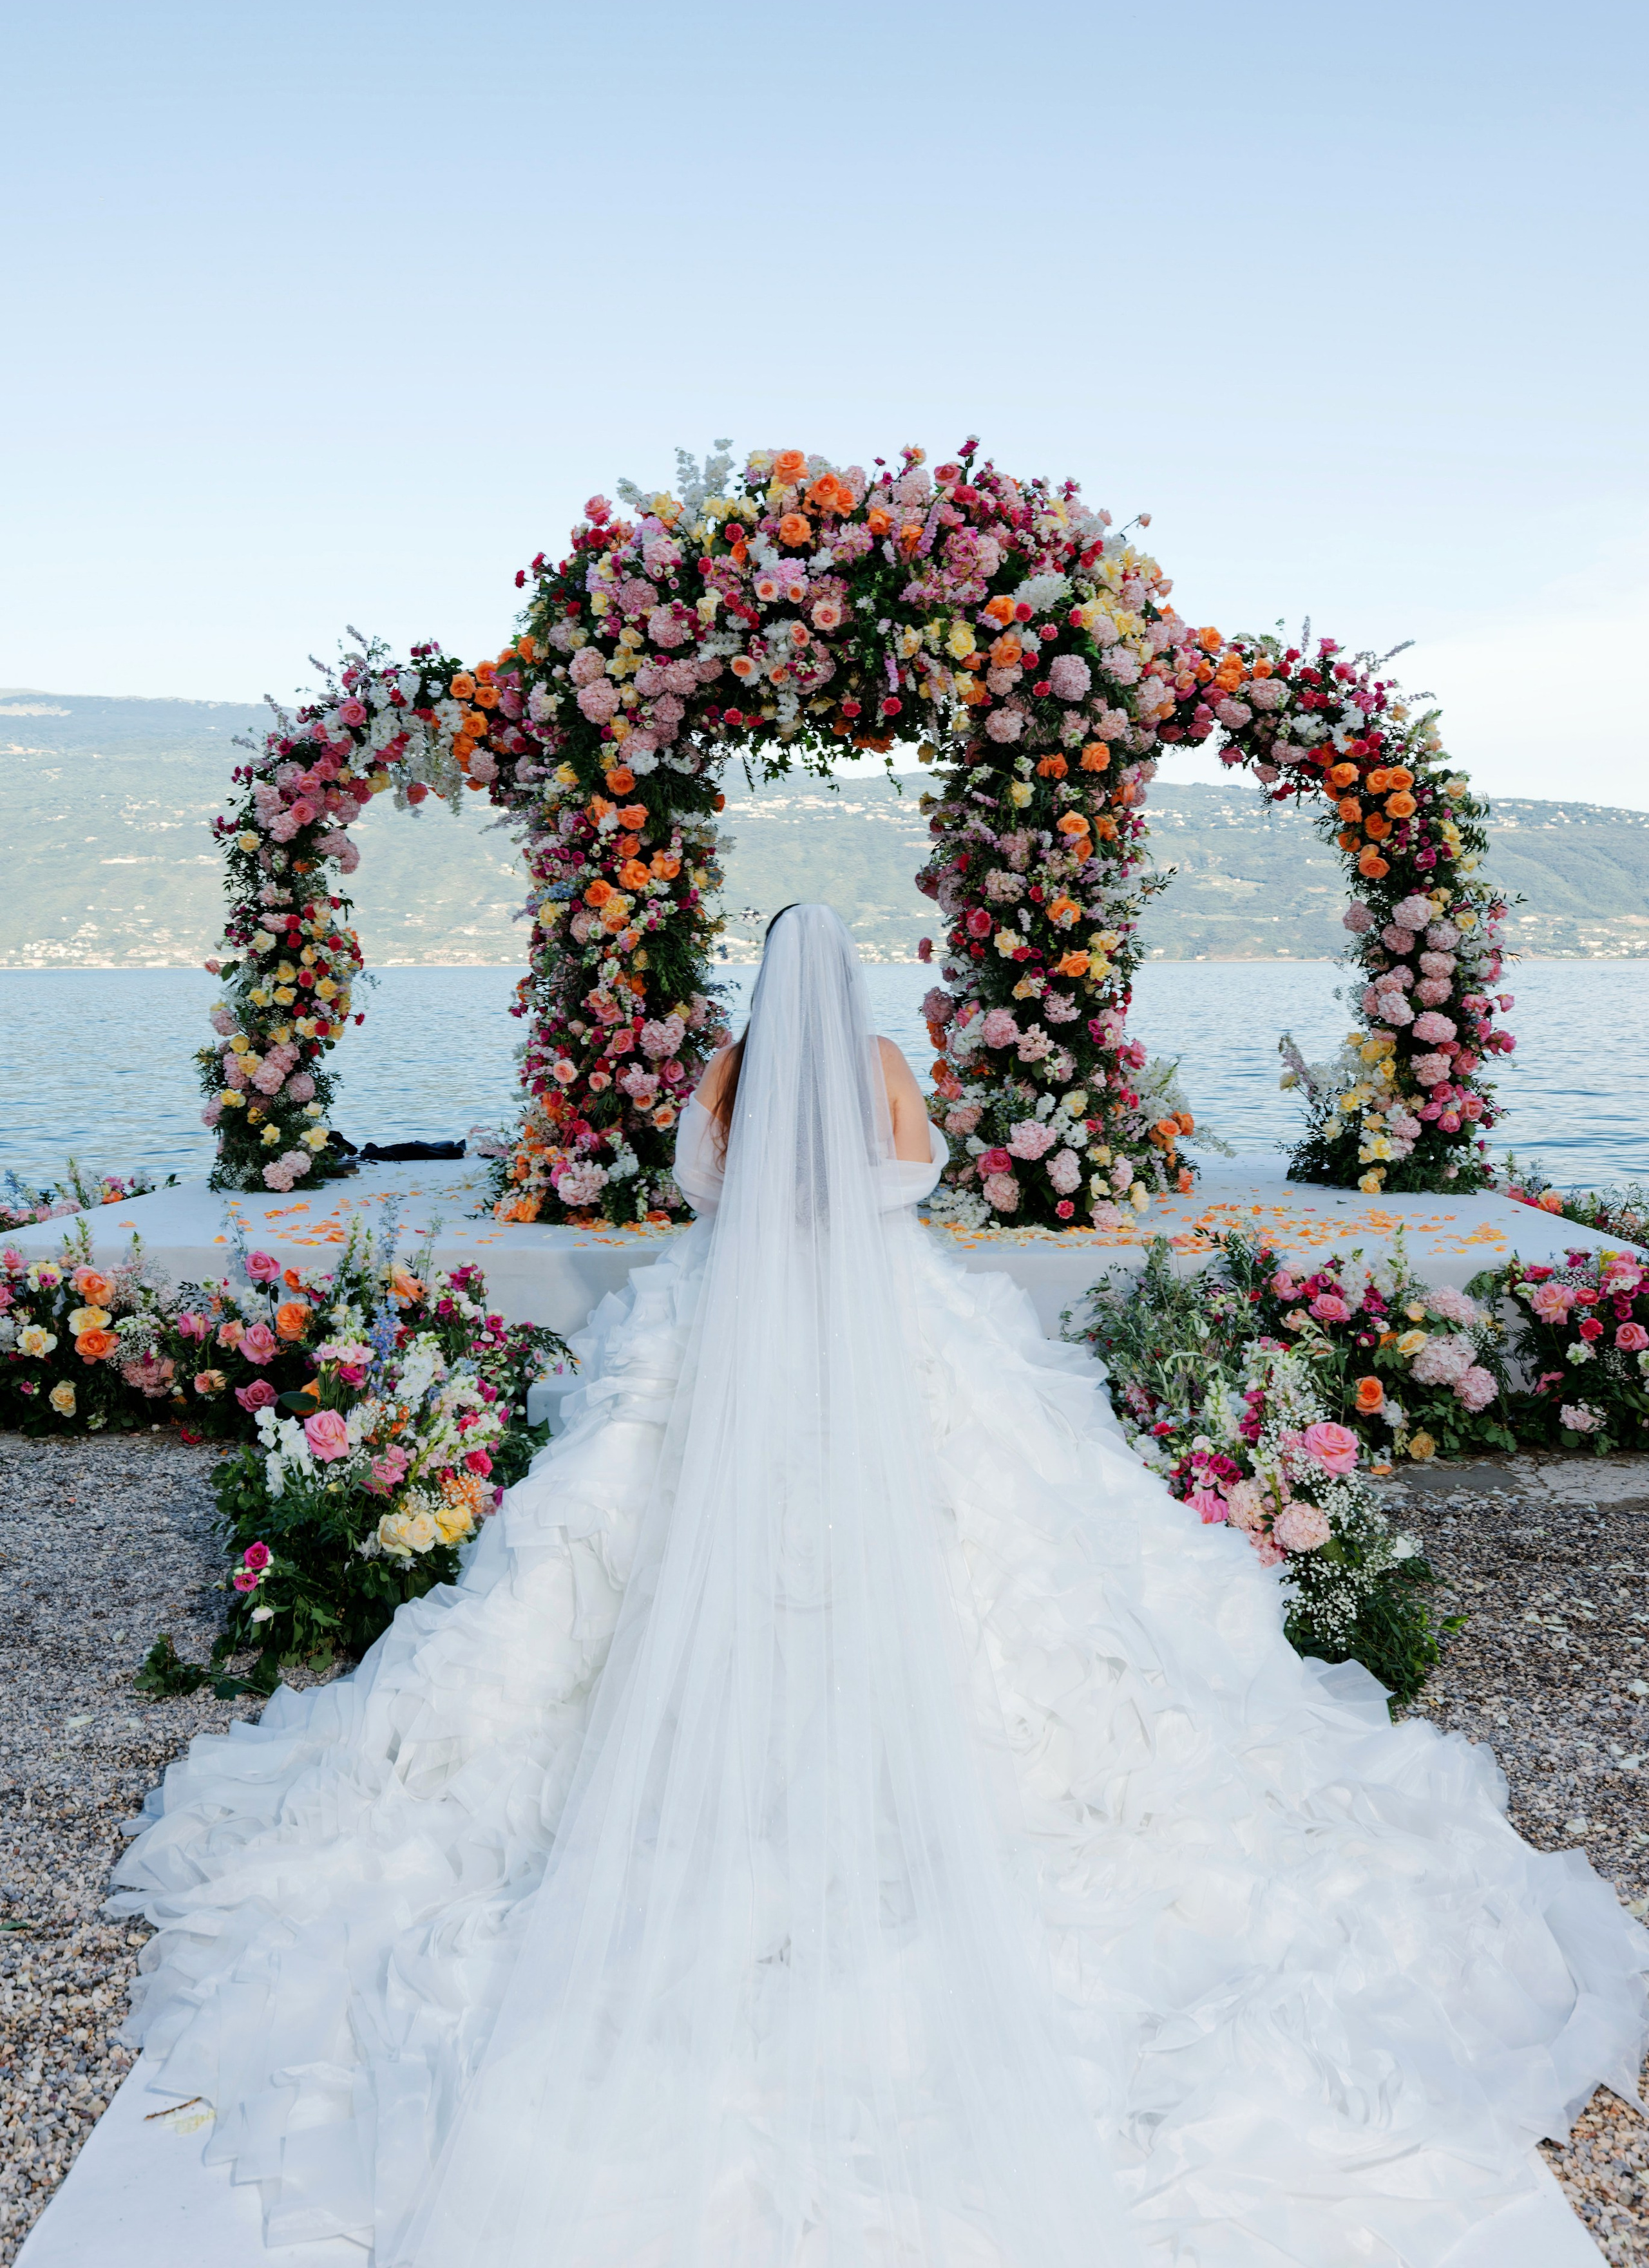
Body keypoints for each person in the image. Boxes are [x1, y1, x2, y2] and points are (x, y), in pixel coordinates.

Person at [109, 905, 1645, 2267]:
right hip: (890, 1321)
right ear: (847, 983)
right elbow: (914, 1174)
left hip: (724, 1325)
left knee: (622, 1544)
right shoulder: (887, 1061)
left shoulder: (725, 1070)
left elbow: (697, 1187)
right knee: (1014, 1550)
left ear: (760, 982)